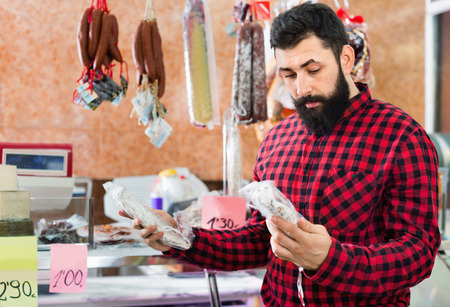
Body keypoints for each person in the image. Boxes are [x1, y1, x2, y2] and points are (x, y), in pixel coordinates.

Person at [120, 2, 441, 306]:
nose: (301, 88)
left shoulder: (401, 138)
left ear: (345, 58)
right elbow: (260, 239)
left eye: (313, 69)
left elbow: (418, 252)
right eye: (288, 74)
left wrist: (330, 260)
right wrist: (183, 239)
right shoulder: (277, 140)